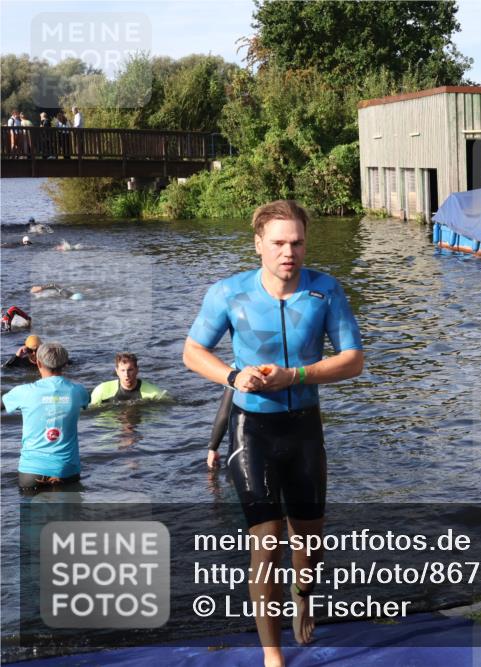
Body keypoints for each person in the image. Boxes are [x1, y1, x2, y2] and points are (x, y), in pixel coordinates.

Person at [183, 199, 363, 666]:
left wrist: (296, 377)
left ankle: (304, 594)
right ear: (258, 244)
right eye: (279, 243)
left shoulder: (326, 292)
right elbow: (192, 351)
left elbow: (353, 360)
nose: (289, 252)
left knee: (309, 540)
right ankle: (273, 656)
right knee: (266, 544)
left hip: (303, 427)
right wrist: (231, 376)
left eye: (297, 242)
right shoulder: (229, 293)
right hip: (251, 429)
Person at [1, 342, 89, 490]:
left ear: (38, 363)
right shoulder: (78, 391)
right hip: (67, 470)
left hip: (32, 471)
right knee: (71, 512)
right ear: (65, 364)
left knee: (32, 513)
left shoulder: (23, 392)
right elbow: (87, 402)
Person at [90, 352, 168, 406]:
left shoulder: (154, 393)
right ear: (117, 371)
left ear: (137, 370)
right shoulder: (101, 391)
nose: (126, 374)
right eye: (122, 370)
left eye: (130, 370)